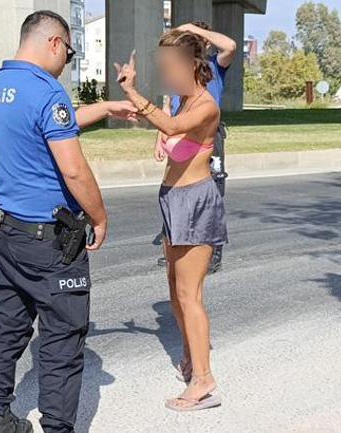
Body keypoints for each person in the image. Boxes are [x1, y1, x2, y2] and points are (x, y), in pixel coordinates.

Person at [0, 10, 137, 433]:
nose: (67, 59)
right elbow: (73, 171)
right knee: (62, 341)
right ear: (53, 43)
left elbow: (41, 124)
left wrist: (103, 107)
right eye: (69, 50)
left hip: (9, 233)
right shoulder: (48, 91)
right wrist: (99, 216)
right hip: (51, 243)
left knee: (9, 327)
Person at [115, 29, 227, 411]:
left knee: (189, 295)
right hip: (172, 201)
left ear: (193, 65)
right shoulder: (182, 101)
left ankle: (205, 380)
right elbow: (171, 132)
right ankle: (191, 356)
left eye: (170, 66)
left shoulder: (206, 106)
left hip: (196, 202)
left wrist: (133, 93)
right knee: (174, 290)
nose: (164, 73)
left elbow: (176, 129)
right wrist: (159, 138)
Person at [155, 21, 236, 274]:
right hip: (181, 134)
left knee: (211, 188)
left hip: (208, 134)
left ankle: (211, 252)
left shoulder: (214, 65)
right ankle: (176, 243)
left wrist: (195, 30)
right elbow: (168, 108)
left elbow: (231, 46)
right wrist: (159, 137)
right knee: (178, 188)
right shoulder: (178, 71)